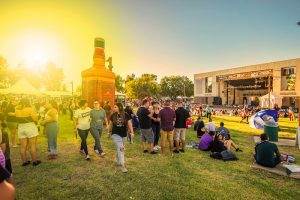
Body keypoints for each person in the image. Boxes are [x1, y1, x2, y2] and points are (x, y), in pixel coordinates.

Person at [108, 103, 134, 173]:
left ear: (119, 107)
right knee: (121, 149)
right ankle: (122, 165)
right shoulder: (113, 115)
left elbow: (129, 124)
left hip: (124, 135)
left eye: (115, 107)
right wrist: (108, 132)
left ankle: (117, 159)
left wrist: (132, 132)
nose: (114, 108)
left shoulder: (126, 115)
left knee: (120, 148)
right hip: (115, 134)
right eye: (114, 107)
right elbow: (110, 124)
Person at [15, 98, 41, 166]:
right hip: (30, 126)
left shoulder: (17, 110)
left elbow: (16, 117)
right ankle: (34, 161)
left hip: (21, 127)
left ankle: (24, 161)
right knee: (33, 145)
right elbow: (35, 118)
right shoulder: (30, 109)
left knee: (23, 146)